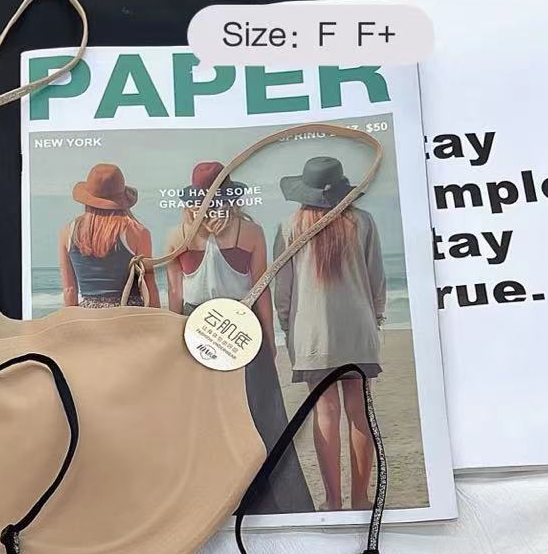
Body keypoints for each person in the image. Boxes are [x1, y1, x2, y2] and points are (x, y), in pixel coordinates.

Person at [165, 160, 307, 512]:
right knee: (260, 414)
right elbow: (261, 290)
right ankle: (270, 500)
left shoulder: (178, 235)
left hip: (195, 328)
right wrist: (269, 338)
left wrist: (173, 344)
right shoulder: (250, 232)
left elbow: (175, 297)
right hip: (241, 326)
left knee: (205, 418)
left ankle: (212, 500)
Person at [272, 155, 387, 511]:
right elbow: (376, 280)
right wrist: (375, 320)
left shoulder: (290, 226)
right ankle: (361, 498)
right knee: (359, 412)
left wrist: (289, 328)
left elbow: (283, 290)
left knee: (326, 412)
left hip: (312, 335)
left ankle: (333, 500)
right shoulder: (363, 222)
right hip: (358, 332)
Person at [59, 163, 159, 308]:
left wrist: (73, 320)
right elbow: (149, 285)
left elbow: (69, 290)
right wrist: (157, 318)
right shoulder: (138, 232)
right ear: (122, 199)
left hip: (89, 314)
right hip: (127, 313)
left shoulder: (68, 232)